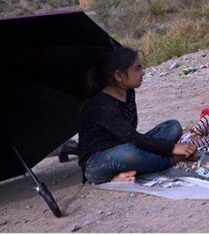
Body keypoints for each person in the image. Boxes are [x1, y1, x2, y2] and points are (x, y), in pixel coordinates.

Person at [77, 47, 197, 184]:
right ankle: (171, 160)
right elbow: (131, 137)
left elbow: (132, 136)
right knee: (129, 154)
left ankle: (126, 171)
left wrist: (155, 146)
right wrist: (172, 149)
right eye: (137, 69)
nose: (143, 72)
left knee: (173, 126)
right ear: (119, 76)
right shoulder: (102, 104)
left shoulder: (129, 93)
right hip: (98, 162)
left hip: (126, 144)